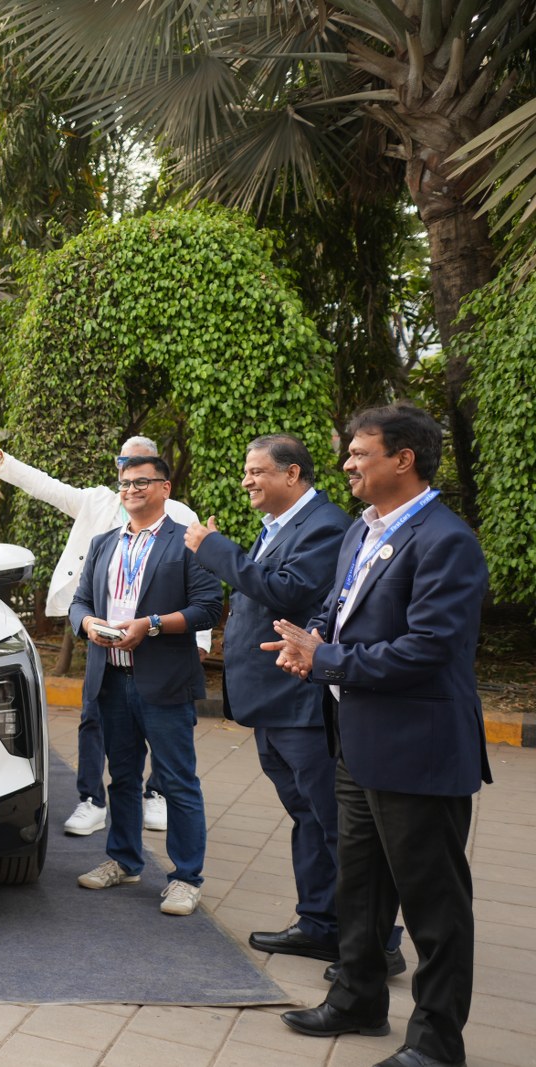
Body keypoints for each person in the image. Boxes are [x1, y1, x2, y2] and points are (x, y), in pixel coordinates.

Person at [269, 405, 490, 1067]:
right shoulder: (363, 530)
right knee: (359, 888)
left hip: (418, 749)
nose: (347, 465)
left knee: (433, 904)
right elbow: (338, 610)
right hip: (358, 742)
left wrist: (328, 660)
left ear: (404, 459)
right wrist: (309, 641)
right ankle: (358, 999)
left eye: (360, 453)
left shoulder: (446, 540)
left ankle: (436, 1043)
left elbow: (428, 648)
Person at [186, 435, 405, 976]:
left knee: (336, 823)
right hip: (271, 701)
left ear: (292, 474)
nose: (246, 481)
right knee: (307, 816)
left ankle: (377, 944)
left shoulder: (325, 525)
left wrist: (213, 549)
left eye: (257, 471)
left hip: (303, 704)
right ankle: (320, 923)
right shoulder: (278, 526)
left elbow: (283, 591)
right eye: (246, 471)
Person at [0, 429, 209, 835]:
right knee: (93, 720)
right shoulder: (99, 503)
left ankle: (158, 794)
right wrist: (0, 458)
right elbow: (47, 487)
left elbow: (199, 590)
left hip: (159, 646)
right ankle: (92, 800)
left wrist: (197, 641)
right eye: (123, 467)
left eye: (139, 471)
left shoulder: (182, 517)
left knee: (164, 732)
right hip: (104, 642)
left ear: (159, 478)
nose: (129, 479)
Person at [68, 455, 221, 916]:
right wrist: (88, 624)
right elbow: (79, 602)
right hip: (111, 679)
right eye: (124, 483)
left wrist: (151, 624)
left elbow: (209, 607)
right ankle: (124, 860)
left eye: (141, 482)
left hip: (165, 682)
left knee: (177, 781)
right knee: (122, 777)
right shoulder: (103, 543)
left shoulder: (186, 541)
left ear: (165, 488)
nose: (131, 490)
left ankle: (186, 878)